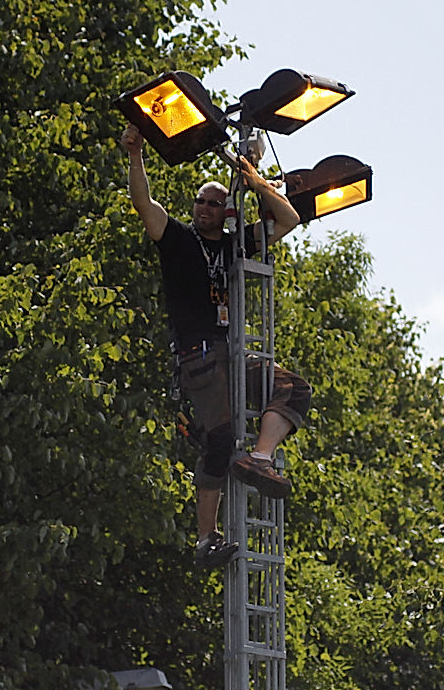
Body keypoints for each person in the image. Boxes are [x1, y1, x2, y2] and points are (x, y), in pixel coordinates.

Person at [122, 123, 312, 569]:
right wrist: (135, 156)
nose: (205, 209)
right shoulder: (178, 240)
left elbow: (288, 219)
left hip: (231, 351)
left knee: (293, 388)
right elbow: (143, 203)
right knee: (220, 437)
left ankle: (261, 458)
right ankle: (205, 537)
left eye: (214, 204)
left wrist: (249, 174)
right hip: (199, 355)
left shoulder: (233, 245)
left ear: (226, 213)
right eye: (200, 203)